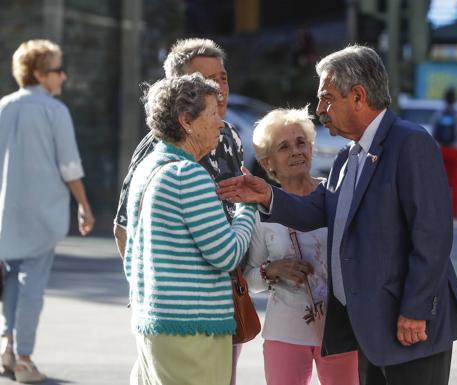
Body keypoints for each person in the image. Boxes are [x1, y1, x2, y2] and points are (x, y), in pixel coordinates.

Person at [218, 45, 457, 385]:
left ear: (358, 96)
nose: (320, 109)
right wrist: (267, 194)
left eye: (327, 98)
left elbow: (433, 237)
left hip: (410, 327)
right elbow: (317, 211)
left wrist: (415, 311)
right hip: (368, 329)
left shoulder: (410, 143)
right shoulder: (346, 157)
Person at [112, 38, 247, 384]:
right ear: (186, 121)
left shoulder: (152, 166)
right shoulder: (187, 173)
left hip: (155, 322)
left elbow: (133, 260)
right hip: (191, 330)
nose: (220, 122)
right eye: (212, 114)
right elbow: (226, 254)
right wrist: (249, 209)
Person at [0, 39, 95, 383]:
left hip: (6, 214)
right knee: (32, 285)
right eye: (57, 70)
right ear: (40, 74)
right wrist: (84, 205)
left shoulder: (4, 106)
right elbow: (69, 165)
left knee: (12, 278)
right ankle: (24, 357)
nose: (64, 76)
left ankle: (8, 347)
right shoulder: (55, 111)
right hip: (42, 213)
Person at [245, 107, 358, 385]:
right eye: (284, 147)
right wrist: (272, 270)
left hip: (340, 329)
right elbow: (248, 280)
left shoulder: (334, 195)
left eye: (301, 142)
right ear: (268, 163)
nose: (296, 151)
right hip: (284, 331)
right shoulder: (262, 211)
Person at [430, 87, 457, 227]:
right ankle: (455, 217)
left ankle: (439, 216)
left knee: (441, 186)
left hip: (441, 151)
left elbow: (434, 133)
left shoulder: (437, 115)